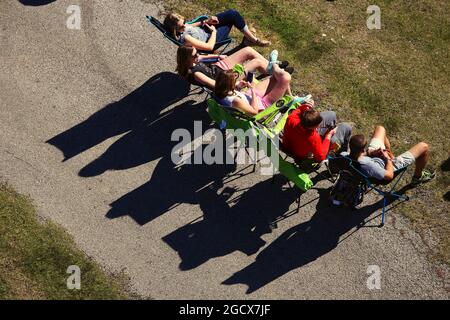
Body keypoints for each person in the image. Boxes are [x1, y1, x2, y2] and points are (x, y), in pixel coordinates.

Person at [347, 125, 436, 185]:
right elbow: (389, 176)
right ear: (362, 150)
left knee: (380, 128)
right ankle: (417, 177)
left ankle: (389, 152)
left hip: (372, 156)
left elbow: (360, 157)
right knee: (424, 147)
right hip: (389, 165)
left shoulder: (344, 155)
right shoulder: (369, 166)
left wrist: (370, 153)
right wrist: (387, 159)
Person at [214, 50, 292, 115]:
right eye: (234, 79)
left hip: (250, 96)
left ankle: (290, 98)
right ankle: (274, 64)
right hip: (261, 105)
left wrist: (239, 86)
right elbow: (254, 112)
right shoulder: (236, 101)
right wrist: (253, 90)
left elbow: (233, 96)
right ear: (229, 84)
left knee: (278, 77)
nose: (236, 80)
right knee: (285, 78)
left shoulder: (222, 90)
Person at [176, 45, 292, 89]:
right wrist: (235, 84)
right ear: (187, 59)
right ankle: (277, 70)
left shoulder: (193, 60)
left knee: (248, 50)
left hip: (218, 67)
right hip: (226, 78)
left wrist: (218, 56)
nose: (197, 55)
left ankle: (273, 67)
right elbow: (217, 86)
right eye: (194, 55)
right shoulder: (196, 74)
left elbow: (203, 57)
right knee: (256, 62)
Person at [163, 9, 270, 52]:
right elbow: (209, 47)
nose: (185, 25)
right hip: (211, 40)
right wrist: (213, 31)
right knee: (231, 20)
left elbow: (193, 24)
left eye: (184, 21)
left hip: (206, 30)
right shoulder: (186, 38)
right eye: (182, 26)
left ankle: (250, 39)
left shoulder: (183, 27)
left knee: (232, 13)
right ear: (174, 30)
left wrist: (207, 21)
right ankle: (253, 42)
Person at [282, 102, 352, 162]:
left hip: (289, 147)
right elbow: (321, 157)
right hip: (300, 156)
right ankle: (340, 155)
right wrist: (328, 136)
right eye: (317, 125)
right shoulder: (313, 138)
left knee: (332, 114)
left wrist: (307, 105)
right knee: (346, 127)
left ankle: (331, 131)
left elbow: (298, 110)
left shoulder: (291, 119)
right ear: (312, 127)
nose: (319, 126)